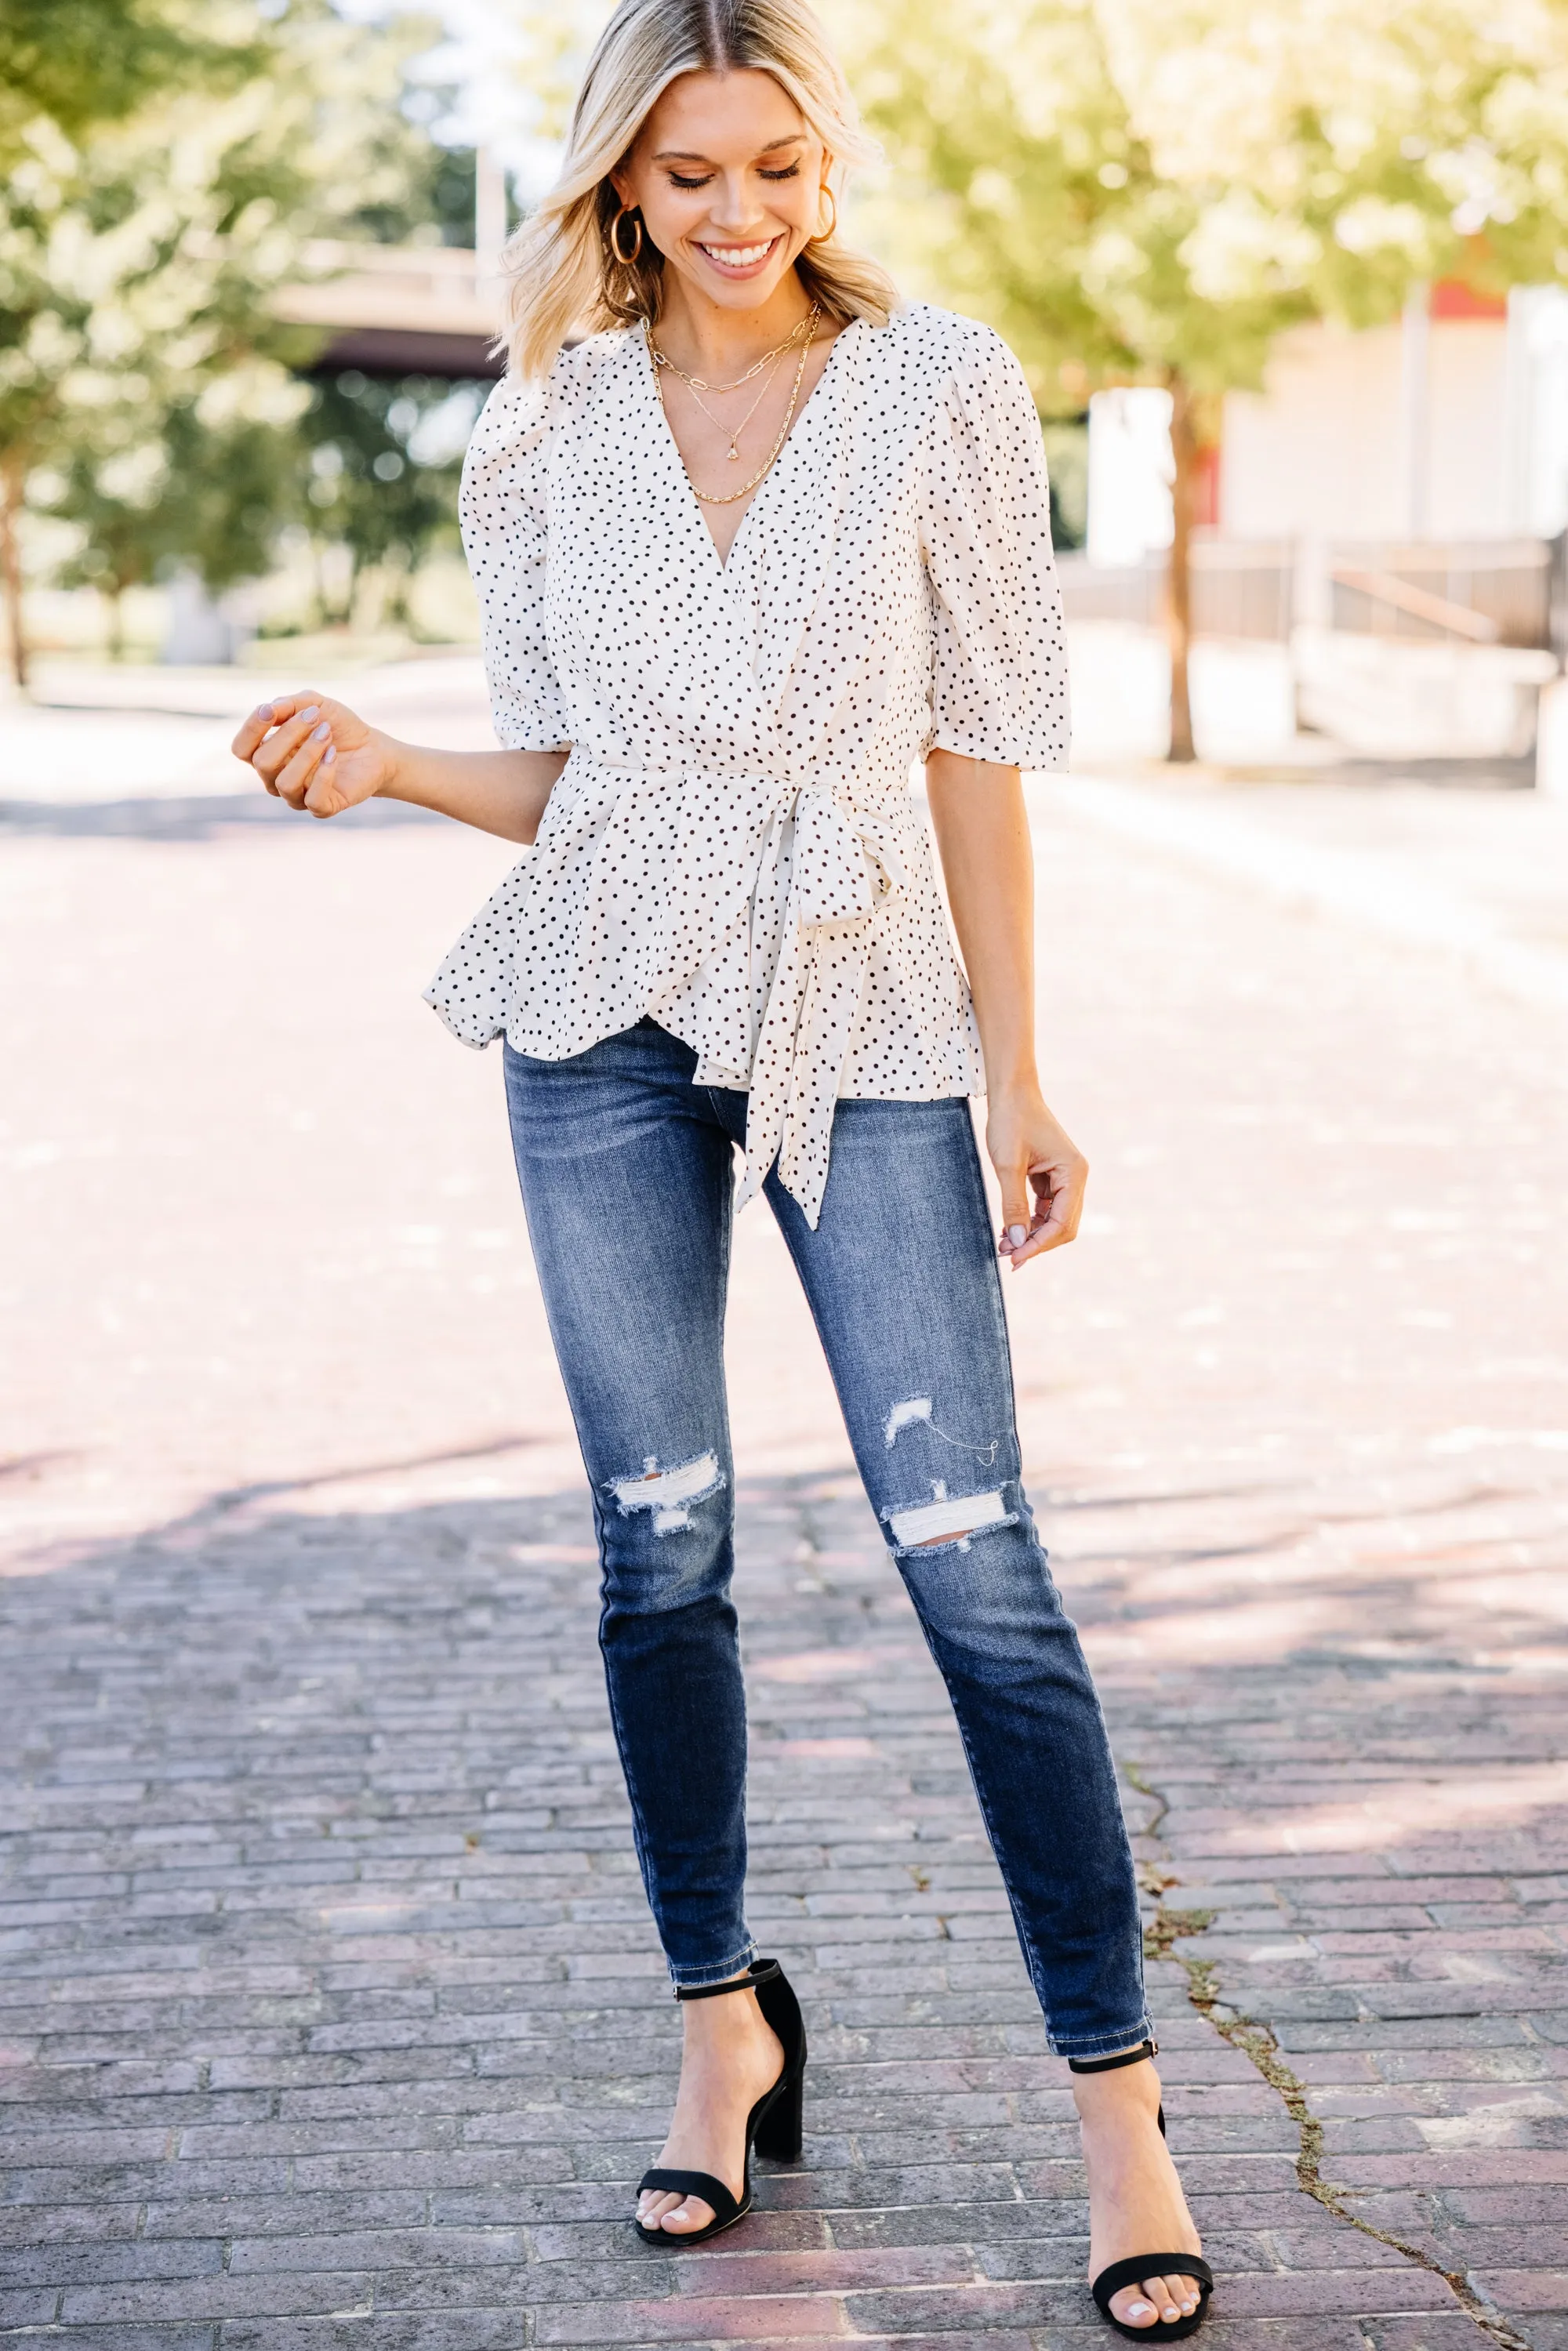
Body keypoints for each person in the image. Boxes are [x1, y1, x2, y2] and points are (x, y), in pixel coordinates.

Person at [231, 0, 1210, 2333]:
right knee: (658, 1547)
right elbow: (581, 774)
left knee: (975, 1558)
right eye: (691, 176)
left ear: (823, 163)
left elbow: (979, 749)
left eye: (777, 162)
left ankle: (1121, 2111)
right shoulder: (550, 427)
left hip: (864, 1016)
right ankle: (718, 2035)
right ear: (617, 190)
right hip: (593, 1019)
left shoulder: (939, 387)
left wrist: (1018, 1074)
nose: (743, 212)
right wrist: (386, 763)